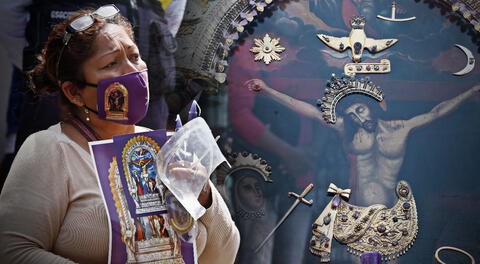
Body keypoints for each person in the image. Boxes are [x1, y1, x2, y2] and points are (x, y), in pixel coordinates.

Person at [0, 5, 239, 264]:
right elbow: (14, 251)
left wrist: (204, 197)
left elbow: (223, 255)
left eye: (134, 56)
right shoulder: (50, 149)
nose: (132, 71)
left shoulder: (168, 147)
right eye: (111, 63)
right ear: (73, 92)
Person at [248, 78, 480, 206]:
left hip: (394, 207)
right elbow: (309, 110)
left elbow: (436, 113)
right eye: (352, 116)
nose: (359, 118)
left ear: (371, 107)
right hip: (357, 207)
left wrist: (470, 92)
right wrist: (268, 91)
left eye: (360, 110)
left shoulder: (400, 127)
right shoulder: (345, 130)